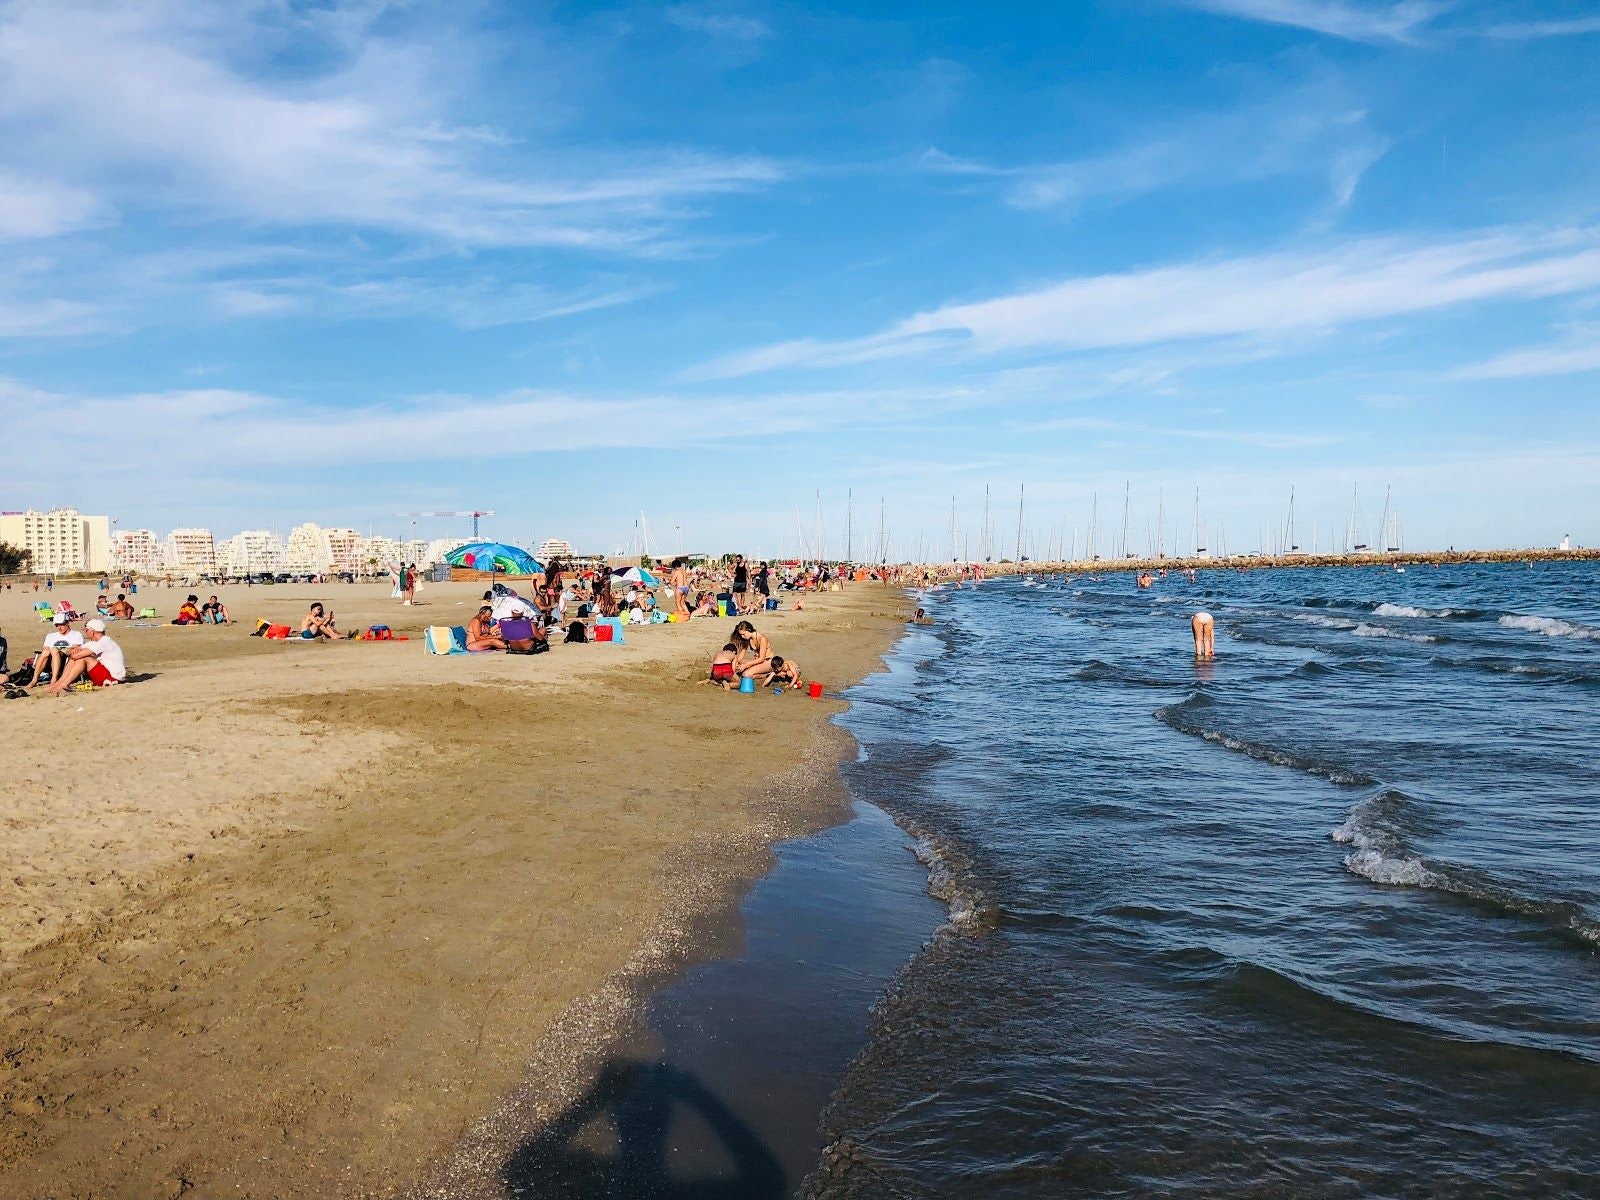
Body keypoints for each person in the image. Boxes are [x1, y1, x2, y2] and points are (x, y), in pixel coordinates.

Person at [46, 618, 126, 693]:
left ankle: (64, 684)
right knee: (76, 658)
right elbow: (74, 651)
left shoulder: (104, 642)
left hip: (113, 679)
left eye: (87, 630)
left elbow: (76, 656)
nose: (85, 632)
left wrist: (76, 652)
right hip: (107, 674)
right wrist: (75, 649)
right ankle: (59, 683)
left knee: (83, 658)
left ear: (93, 631)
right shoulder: (95, 642)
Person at [30, 613, 83, 686]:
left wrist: (61, 650)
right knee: (46, 652)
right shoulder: (51, 636)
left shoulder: (76, 634)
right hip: (49, 661)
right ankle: (34, 680)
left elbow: (75, 649)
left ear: (67, 622)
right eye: (56, 625)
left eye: (61, 624)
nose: (59, 627)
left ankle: (54, 679)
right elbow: (45, 650)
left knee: (54, 650)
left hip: (65, 661)